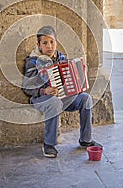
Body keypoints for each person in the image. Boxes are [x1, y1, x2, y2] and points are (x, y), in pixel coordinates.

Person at [23, 25, 102, 158]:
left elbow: (69, 79)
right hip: (41, 98)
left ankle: (85, 139)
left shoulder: (61, 58)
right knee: (54, 103)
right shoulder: (33, 61)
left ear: (56, 42)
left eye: (52, 42)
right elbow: (27, 88)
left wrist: (80, 74)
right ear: (38, 45)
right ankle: (49, 144)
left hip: (63, 97)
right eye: (45, 43)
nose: (49, 46)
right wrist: (44, 91)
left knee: (85, 99)